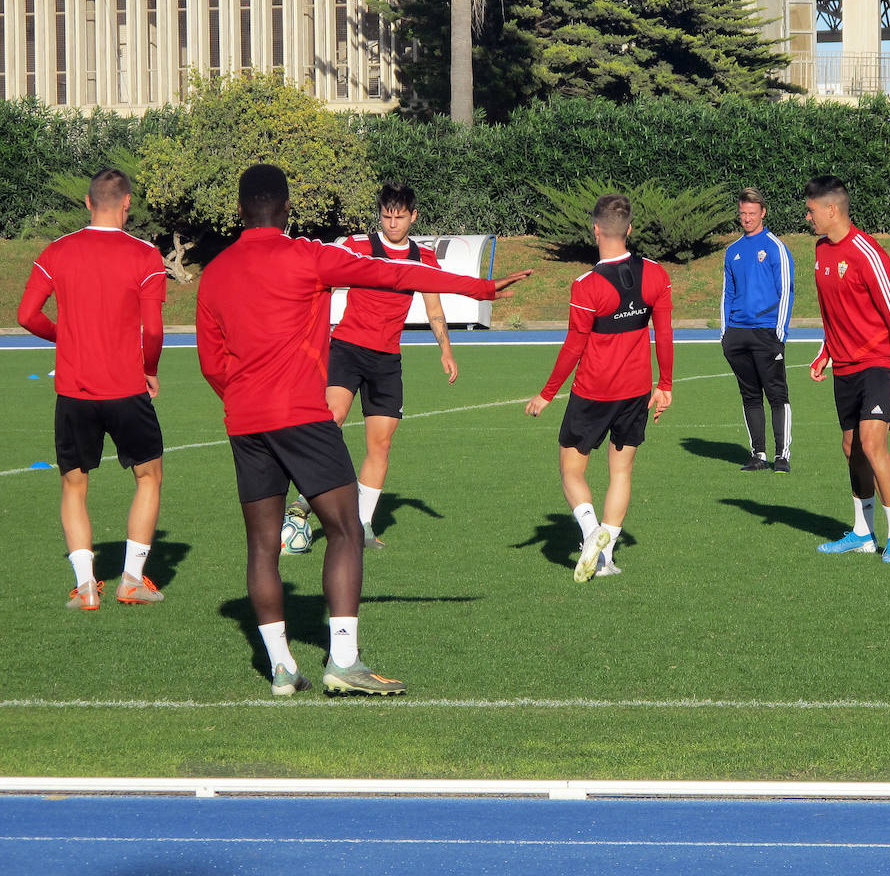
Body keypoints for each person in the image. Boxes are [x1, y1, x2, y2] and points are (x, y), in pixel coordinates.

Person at [196, 164, 531, 696]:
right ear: (287, 209)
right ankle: (343, 661)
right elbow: (400, 274)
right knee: (348, 530)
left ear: (239, 211)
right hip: (302, 416)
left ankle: (282, 668)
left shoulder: (214, 272)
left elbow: (211, 362)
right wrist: (482, 288)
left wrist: (241, 401)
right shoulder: (307, 256)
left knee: (262, 545)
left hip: (245, 421)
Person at [17, 168, 167, 610]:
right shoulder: (145, 255)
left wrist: (64, 336)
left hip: (74, 392)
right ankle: (131, 580)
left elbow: (27, 315)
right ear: (127, 204)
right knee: (149, 476)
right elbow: (154, 330)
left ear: (86, 203)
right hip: (126, 389)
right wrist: (150, 367)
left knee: (74, 486)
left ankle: (86, 588)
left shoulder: (57, 251)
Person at [286, 182, 458, 550]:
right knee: (331, 422)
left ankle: (362, 525)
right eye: (386, 216)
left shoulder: (423, 259)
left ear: (413, 216)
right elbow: (319, 277)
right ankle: (305, 499)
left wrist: (445, 349)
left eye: (399, 217)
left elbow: (434, 309)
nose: (392, 224)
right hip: (346, 349)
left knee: (380, 444)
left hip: (386, 360)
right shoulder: (357, 246)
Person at [525, 193, 673, 583]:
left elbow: (574, 345)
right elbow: (665, 334)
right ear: (630, 229)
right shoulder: (657, 274)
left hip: (593, 392)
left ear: (595, 229)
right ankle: (605, 558)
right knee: (621, 472)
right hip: (636, 391)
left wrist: (547, 392)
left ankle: (592, 533)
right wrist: (666, 385)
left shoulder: (586, 285)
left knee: (571, 470)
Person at [804, 175, 890, 564]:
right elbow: (832, 315)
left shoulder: (869, 253)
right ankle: (863, 534)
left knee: (872, 443)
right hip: (845, 368)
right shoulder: (820, 251)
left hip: (878, 364)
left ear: (831, 210)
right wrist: (824, 353)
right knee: (851, 448)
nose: (808, 217)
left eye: (812, 210)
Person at [721, 188, 794, 472]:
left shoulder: (776, 247)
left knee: (777, 395)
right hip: (737, 335)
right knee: (749, 396)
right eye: (743, 214)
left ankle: (782, 456)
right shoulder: (733, 251)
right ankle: (758, 455)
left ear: (763, 212)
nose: (747, 219)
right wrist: (725, 334)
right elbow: (727, 293)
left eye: (752, 213)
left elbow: (785, 291)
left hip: (767, 333)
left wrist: (780, 332)